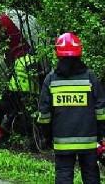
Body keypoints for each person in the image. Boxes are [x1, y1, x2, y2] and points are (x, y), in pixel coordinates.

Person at [37, 32, 105, 184]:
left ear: (58, 53)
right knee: (91, 174)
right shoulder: (90, 77)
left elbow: (44, 113)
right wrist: (101, 134)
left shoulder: (51, 79)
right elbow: (101, 110)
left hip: (62, 140)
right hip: (89, 139)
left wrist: (46, 136)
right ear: (79, 52)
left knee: (63, 174)